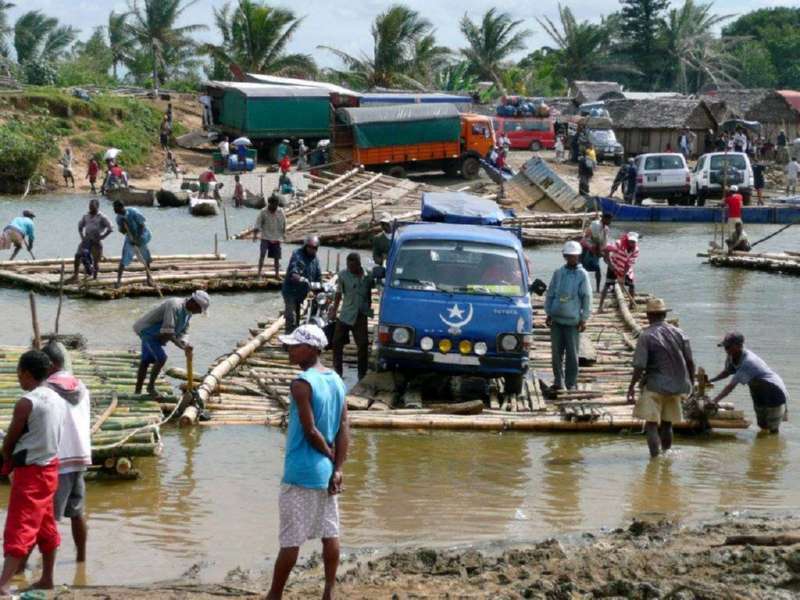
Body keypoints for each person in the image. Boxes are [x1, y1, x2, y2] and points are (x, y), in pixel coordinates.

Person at [266, 324, 348, 600]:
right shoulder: (337, 380)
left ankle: (274, 595)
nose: (289, 350)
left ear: (312, 348)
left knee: (290, 541)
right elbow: (344, 425)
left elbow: (310, 430)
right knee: (329, 533)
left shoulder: (301, 383)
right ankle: (328, 592)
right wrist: (337, 467)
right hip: (327, 473)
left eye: (294, 346)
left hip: (302, 471)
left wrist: (327, 453)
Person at [0, 350, 66, 594]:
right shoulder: (57, 399)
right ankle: (47, 578)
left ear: (26, 373)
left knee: (20, 526)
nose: (18, 378)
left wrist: (6, 457)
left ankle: (2, 585)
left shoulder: (27, 402)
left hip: (32, 472)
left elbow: (11, 441)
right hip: (50, 468)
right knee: (45, 526)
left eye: (19, 374)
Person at [627, 298, 695, 458]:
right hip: (677, 385)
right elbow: (690, 361)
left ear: (649, 316)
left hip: (655, 386)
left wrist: (631, 386)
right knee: (667, 423)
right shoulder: (680, 333)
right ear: (664, 315)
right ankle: (666, 456)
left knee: (651, 424)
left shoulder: (646, 336)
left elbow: (640, 366)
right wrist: (691, 382)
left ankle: (655, 460)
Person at [42, 342, 91, 563]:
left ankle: (40, 569)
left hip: (57, 459)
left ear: (50, 364)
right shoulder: (80, 386)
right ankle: (81, 560)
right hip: (80, 456)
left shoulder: (46, 389)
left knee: (47, 518)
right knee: (77, 513)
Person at [709, 332, 789, 434]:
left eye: (729, 347)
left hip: (773, 390)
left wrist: (715, 401)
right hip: (758, 390)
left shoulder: (748, 362)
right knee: (762, 425)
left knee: (772, 428)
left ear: (739, 346)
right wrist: (711, 380)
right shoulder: (731, 355)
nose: (726, 350)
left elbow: (730, 386)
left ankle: (774, 444)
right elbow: (727, 372)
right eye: (725, 347)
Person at [133, 291, 210, 395]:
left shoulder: (188, 314)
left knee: (146, 361)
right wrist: (182, 347)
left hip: (157, 335)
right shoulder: (174, 304)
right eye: (200, 309)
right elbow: (168, 331)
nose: (200, 312)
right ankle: (150, 387)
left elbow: (184, 332)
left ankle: (137, 391)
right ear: (194, 303)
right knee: (161, 358)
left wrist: (186, 344)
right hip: (147, 331)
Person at [544, 241, 592, 393]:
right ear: (565, 256)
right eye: (569, 256)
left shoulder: (582, 274)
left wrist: (584, 318)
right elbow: (550, 294)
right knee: (556, 354)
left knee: (572, 353)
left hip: (572, 321)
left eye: (574, 256)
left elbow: (587, 297)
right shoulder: (558, 273)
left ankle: (570, 382)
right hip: (557, 319)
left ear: (578, 257)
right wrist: (548, 312)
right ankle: (558, 381)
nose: (572, 259)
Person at [330, 253, 373, 381]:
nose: (350, 268)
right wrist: (334, 310)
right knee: (336, 342)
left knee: (363, 345)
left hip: (360, 315)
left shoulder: (368, 277)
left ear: (359, 264)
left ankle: (362, 374)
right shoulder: (343, 275)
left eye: (352, 266)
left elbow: (373, 291)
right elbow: (338, 294)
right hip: (346, 314)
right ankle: (337, 372)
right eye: (348, 265)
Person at [282, 236, 322, 334]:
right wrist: (299, 277)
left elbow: (318, 275)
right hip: (291, 291)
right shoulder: (297, 255)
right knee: (292, 317)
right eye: (310, 247)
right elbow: (294, 270)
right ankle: (288, 341)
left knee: (311, 311)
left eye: (314, 248)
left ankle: (300, 337)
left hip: (303, 292)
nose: (312, 250)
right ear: (305, 246)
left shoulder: (315, 260)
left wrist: (321, 286)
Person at [67, 198, 113, 282]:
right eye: (90, 207)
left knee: (95, 262)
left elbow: (110, 228)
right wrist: (82, 236)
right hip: (86, 240)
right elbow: (80, 226)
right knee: (78, 256)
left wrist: (102, 237)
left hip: (96, 241)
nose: (90, 209)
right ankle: (76, 275)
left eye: (92, 207)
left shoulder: (102, 217)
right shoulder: (86, 216)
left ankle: (94, 278)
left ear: (97, 207)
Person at [113, 200, 152, 288]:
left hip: (141, 237)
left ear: (120, 207)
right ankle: (119, 281)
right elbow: (123, 232)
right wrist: (123, 225)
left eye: (115, 208)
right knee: (124, 258)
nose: (114, 210)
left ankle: (149, 279)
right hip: (130, 239)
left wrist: (137, 239)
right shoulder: (118, 218)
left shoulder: (133, 212)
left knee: (146, 258)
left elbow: (142, 225)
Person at [598, 232, 639, 312]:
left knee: (631, 285)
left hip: (625, 269)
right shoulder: (618, 244)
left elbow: (629, 264)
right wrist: (610, 264)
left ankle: (631, 305)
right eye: (630, 241)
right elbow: (606, 249)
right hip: (614, 265)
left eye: (634, 242)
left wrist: (623, 276)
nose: (632, 244)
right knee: (607, 284)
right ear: (627, 240)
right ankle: (600, 306)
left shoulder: (636, 250)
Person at [254, 194, 286, 279]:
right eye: (274, 205)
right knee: (262, 254)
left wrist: (283, 234)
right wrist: (255, 234)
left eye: (276, 205)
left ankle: (277, 274)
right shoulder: (263, 211)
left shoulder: (280, 211)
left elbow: (284, 223)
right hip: (265, 237)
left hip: (276, 237)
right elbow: (258, 223)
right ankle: (259, 274)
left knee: (277, 257)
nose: (275, 207)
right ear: (270, 204)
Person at [580, 212, 612, 292]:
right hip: (586, 247)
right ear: (604, 219)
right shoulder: (596, 224)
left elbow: (604, 243)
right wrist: (600, 253)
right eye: (609, 220)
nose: (610, 222)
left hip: (595, 249)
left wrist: (605, 254)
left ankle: (597, 289)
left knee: (597, 269)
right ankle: (581, 288)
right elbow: (595, 240)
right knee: (582, 269)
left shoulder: (606, 229)